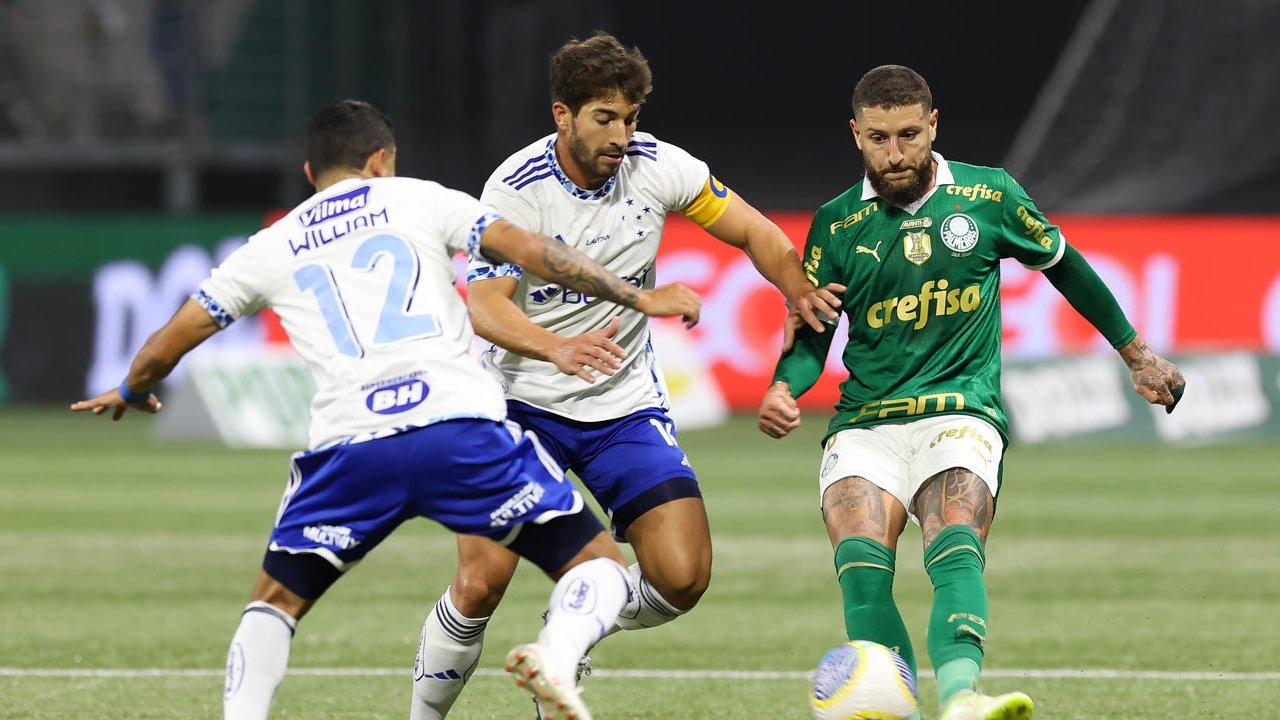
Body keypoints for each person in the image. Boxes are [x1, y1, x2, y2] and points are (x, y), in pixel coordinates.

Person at [70, 98, 702, 720]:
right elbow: (535, 252)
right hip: (460, 431)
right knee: (601, 571)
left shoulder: (273, 243)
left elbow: (168, 341)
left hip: (351, 447)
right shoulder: (419, 197)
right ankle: (558, 657)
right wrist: (634, 297)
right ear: (381, 160)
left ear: (311, 174)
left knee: (272, 606)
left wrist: (131, 388)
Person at [409, 31, 843, 719]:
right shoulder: (513, 189)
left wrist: (797, 287)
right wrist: (556, 349)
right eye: (604, 118)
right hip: (518, 405)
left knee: (682, 577)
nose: (621, 134)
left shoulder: (659, 167)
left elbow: (758, 233)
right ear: (563, 115)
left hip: (621, 406)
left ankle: (562, 643)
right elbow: (485, 308)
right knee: (482, 581)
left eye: (631, 117)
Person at [756, 65, 1186, 720]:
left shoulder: (989, 196)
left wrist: (1136, 352)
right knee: (863, 563)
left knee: (953, 538)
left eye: (907, 135)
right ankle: (892, 707)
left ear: (934, 124)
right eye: (878, 139)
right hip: (865, 422)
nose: (894, 154)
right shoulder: (837, 226)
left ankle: (961, 700)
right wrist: (785, 386)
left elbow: (1065, 265)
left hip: (961, 411)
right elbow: (815, 334)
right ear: (855, 135)